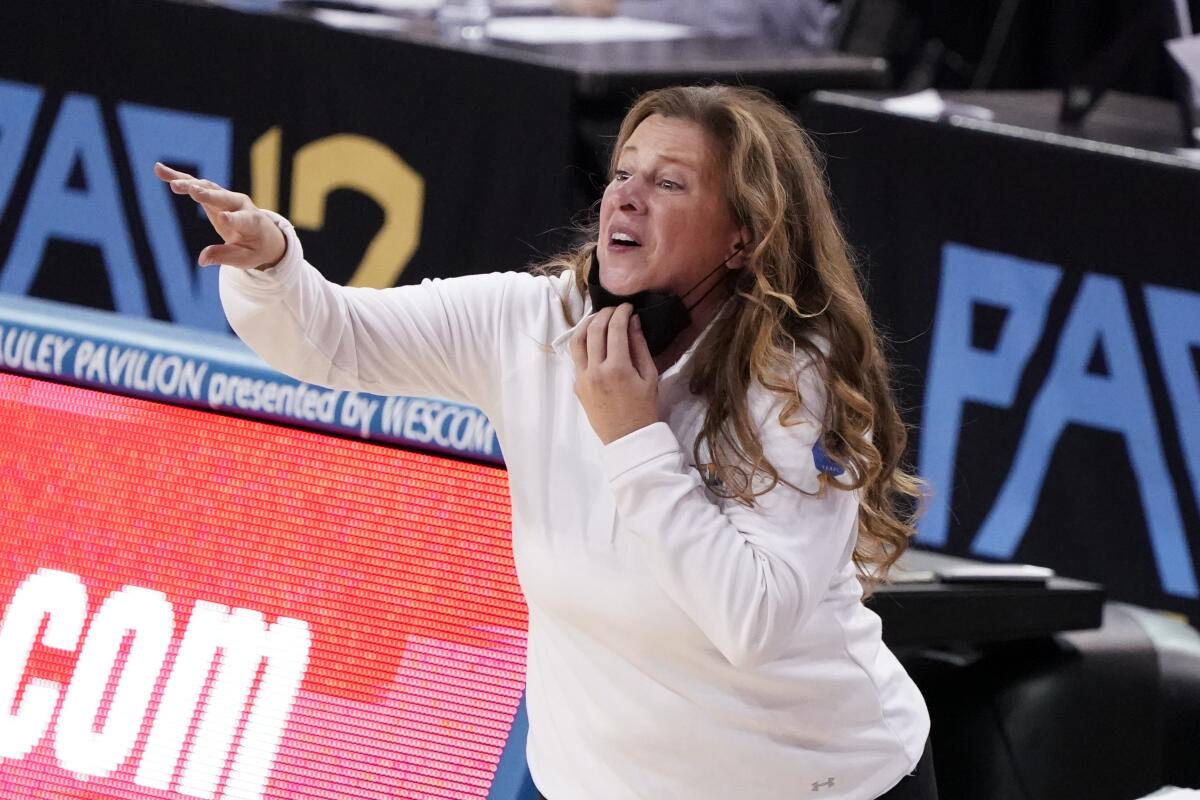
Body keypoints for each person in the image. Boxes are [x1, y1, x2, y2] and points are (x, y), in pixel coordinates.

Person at [154, 84, 935, 800]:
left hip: (816, 783)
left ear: (743, 237)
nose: (626, 194)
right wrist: (274, 264)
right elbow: (335, 340)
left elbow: (751, 620)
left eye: (669, 183)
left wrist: (632, 436)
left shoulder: (795, 384)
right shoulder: (532, 323)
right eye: (623, 171)